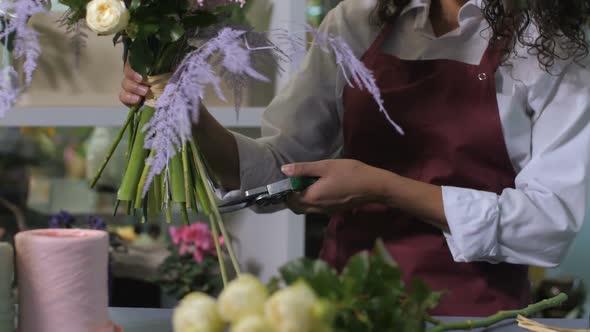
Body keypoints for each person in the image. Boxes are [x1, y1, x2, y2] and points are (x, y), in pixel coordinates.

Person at [119, 0, 590, 316]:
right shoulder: (357, 21)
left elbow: (547, 222)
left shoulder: (555, 49)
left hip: (473, 314)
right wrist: (186, 109)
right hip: (340, 306)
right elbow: (280, 163)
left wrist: (382, 186)